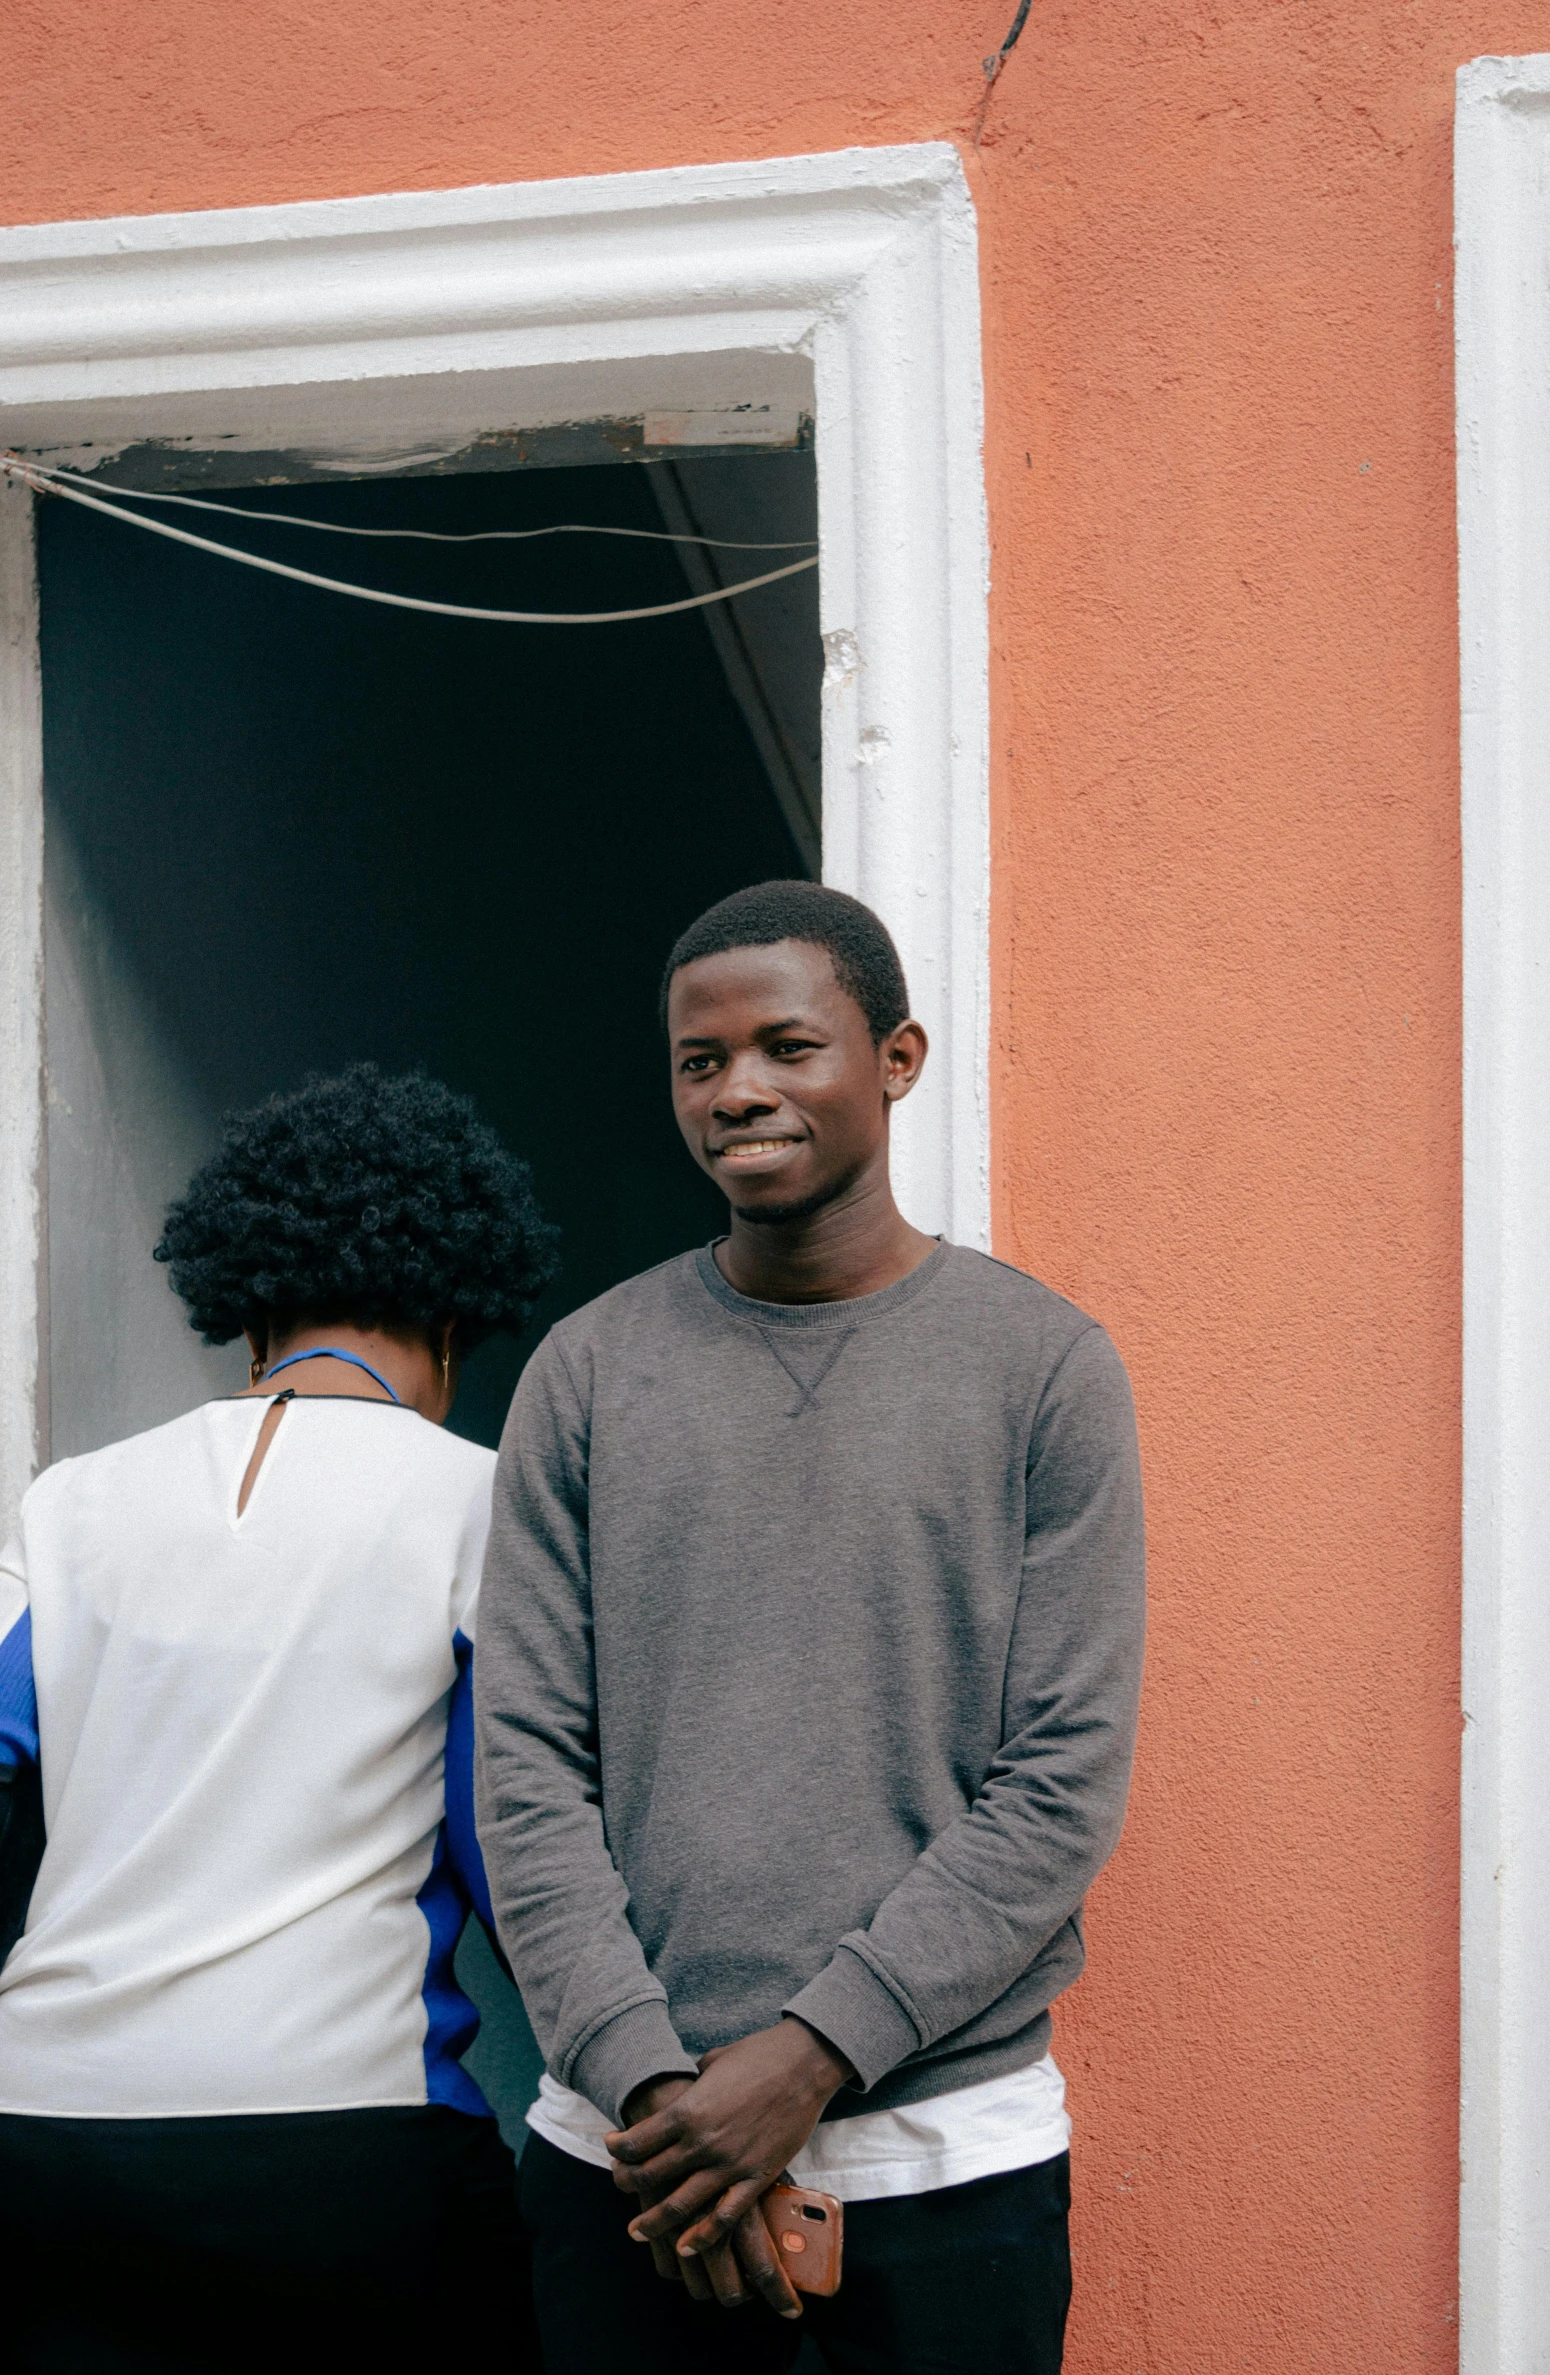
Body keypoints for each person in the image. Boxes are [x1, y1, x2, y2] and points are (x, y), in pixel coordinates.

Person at [475, 881, 1146, 2375]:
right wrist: (660, 2095)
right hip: (625, 2166)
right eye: (699, 1061)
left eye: (788, 1045)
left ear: (894, 1057)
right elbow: (523, 1767)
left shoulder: (1041, 1371)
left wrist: (807, 2057)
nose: (740, 1092)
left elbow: (1060, 1780)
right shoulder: (584, 1376)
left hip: (942, 2166)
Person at [0, 1063, 554, 2373]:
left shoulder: (64, 1508)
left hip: (44, 2137)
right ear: (452, 1322)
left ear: (247, 1311)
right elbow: (519, 1861)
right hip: (346, 2150)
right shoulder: (478, 1503)